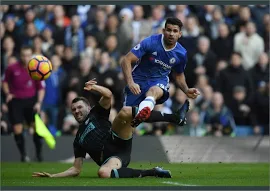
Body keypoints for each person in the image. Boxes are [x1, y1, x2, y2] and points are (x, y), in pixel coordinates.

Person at [32, 79, 189, 178]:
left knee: (126, 111)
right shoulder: (77, 140)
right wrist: (53, 176)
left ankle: (174, 117)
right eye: (73, 110)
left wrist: (94, 88)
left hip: (116, 139)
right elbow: (76, 169)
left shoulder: (96, 112)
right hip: (111, 159)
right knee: (103, 173)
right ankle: (153, 172)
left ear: (88, 106)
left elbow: (108, 95)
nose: (77, 111)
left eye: (79, 107)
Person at [120, 17, 200, 127]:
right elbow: (126, 60)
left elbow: (178, 75)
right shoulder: (151, 42)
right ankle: (171, 117)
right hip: (138, 80)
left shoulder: (181, 54)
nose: (171, 34)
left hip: (158, 80)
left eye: (175, 31)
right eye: (169, 30)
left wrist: (186, 89)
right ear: (163, 31)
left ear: (180, 34)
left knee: (154, 91)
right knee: (127, 115)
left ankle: (145, 109)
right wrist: (130, 82)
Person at [2, 45, 45, 162]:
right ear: (20, 56)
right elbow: (4, 82)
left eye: (28, 55)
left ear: (31, 56)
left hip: (31, 101)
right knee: (17, 129)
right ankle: (23, 155)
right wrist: (7, 93)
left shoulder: (35, 69)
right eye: (23, 55)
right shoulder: (11, 68)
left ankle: (39, 155)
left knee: (37, 129)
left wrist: (39, 102)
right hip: (16, 101)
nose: (25, 58)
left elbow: (40, 88)